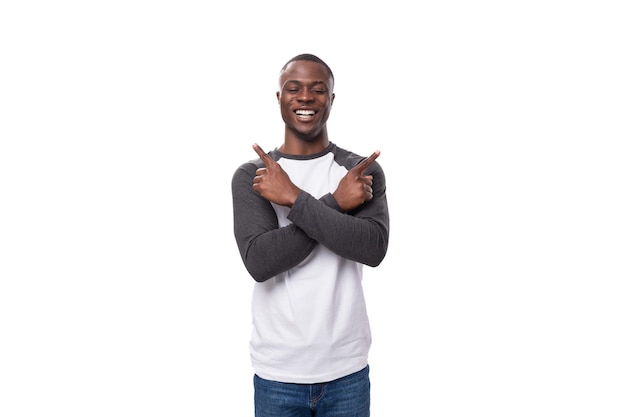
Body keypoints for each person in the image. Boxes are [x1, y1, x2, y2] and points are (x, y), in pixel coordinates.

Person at [231, 53, 390, 416]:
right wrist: (335, 202)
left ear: (331, 99)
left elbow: (372, 247)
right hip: (278, 374)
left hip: (346, 370)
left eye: (318, 90)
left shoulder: (359, 171)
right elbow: (261, 261)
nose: (306, 97)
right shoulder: (255, 176)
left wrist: (293, 200)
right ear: (279, 98)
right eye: (294, 88)